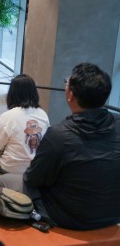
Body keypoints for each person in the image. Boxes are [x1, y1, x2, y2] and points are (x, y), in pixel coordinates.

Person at [23, 63, 120, 230]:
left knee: (5, 181)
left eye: (67, 82)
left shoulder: (59, 136)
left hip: (69, 219)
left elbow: (33, 179)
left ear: (71, 95)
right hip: (112, 214)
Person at [0, 74, 50, 180]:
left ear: (12, 94)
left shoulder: (7, 117)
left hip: (11, 169)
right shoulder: (43, 114)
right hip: (36, 168)